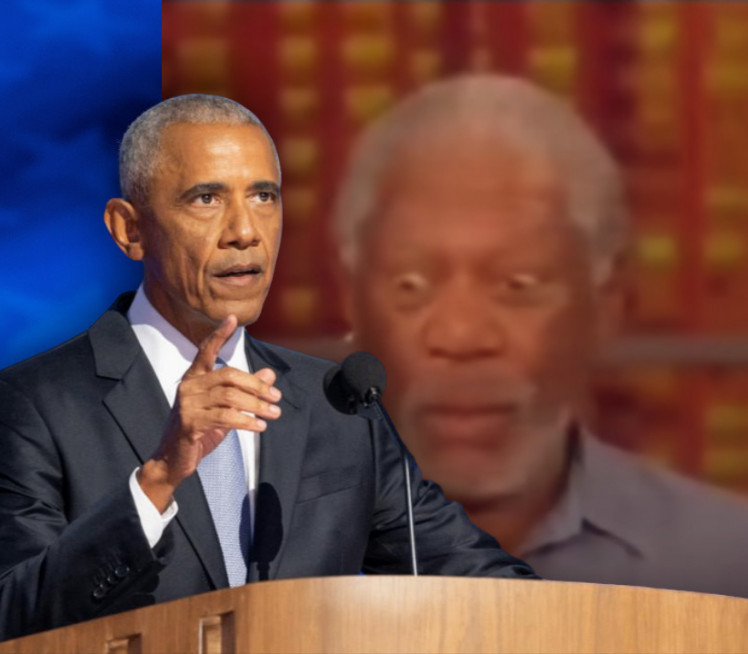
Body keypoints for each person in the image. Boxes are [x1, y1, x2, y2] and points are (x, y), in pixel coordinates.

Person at [0, 94, 537, 642]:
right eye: (206, 198)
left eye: (263, 196)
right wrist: (158, 479)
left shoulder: (338, 404)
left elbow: (479, 581)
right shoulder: (33, 406)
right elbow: (12, 617)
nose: (245, 231)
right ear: (129, 230)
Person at [333, 74, 748, 597]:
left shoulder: (725, 570)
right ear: (351, 300)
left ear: (607, 303)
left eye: (518, 285)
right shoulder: (252, 560)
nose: (461, 336)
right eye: (410, 286)